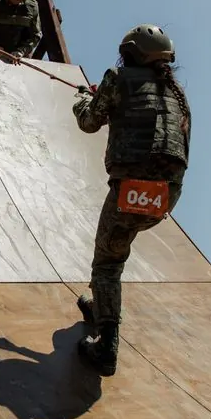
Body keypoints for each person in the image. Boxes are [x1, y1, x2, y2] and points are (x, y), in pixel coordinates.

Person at [71, 24, 192, 376]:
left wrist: (83, 98)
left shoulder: (118, 78)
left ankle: (106, 346)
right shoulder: (176, 93)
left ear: (131, 53)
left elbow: (89, 121)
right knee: (117, 252)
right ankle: (101, 305)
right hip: (168, 194)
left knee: (108, 261)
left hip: (131, 190)